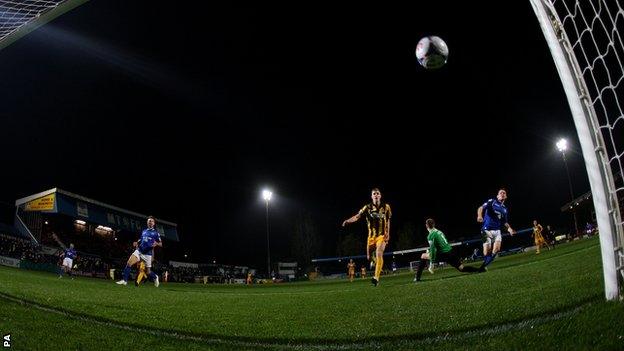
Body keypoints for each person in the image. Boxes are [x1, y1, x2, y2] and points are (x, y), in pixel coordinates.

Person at [342, 188, 392, 287]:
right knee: (369, 257)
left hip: (381, 236)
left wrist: (388, 233)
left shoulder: (386, 207)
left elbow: (388, 220)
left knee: (379, 253)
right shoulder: (367, 207)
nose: (376, 195)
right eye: (374, 194)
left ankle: (376, 277)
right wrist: (348, 220)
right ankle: (373, 260)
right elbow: (357, 216)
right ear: (371, 196)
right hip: (371, 237)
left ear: (380, 195)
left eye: (378, 193)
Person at [414, 218, 480, 282]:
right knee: (461, 268)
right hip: (450, 252)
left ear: (426, 225)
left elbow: (433, 250)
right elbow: (441, 244)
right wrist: (430, 250)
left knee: (423, 255)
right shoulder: (439, 232)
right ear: (434, 224)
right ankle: (479, 269)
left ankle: (417, 278)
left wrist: (431, 264)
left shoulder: (431, 235)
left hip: (443, 254)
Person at [116, 216, 162, 287]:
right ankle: (124, 280)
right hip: (139, 250)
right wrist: (137, 242)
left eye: (151, 221)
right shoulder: (144, 231)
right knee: (129, 263)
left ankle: (155, 277)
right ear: (147, 222)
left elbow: (161, 244)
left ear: (154, 223)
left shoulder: (156, 233)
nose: (150, 222)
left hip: (148, 254)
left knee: (148, 272)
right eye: (149, 221)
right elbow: (141, 239)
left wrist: (156, 243)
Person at [477, 189, 516, 271]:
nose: (502, 193)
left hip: (497, 230)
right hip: (486, 229)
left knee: (497, 249)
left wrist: (510, 230)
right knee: (487, 251)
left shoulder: (505, 209)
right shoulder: (492, 201)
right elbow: (481, 207)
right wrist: (479, 216)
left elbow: (505, 222)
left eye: (504, 193)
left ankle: (482, 267)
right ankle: (484, 266)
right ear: (497, 196)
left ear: (506, 196)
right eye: (500, 192)